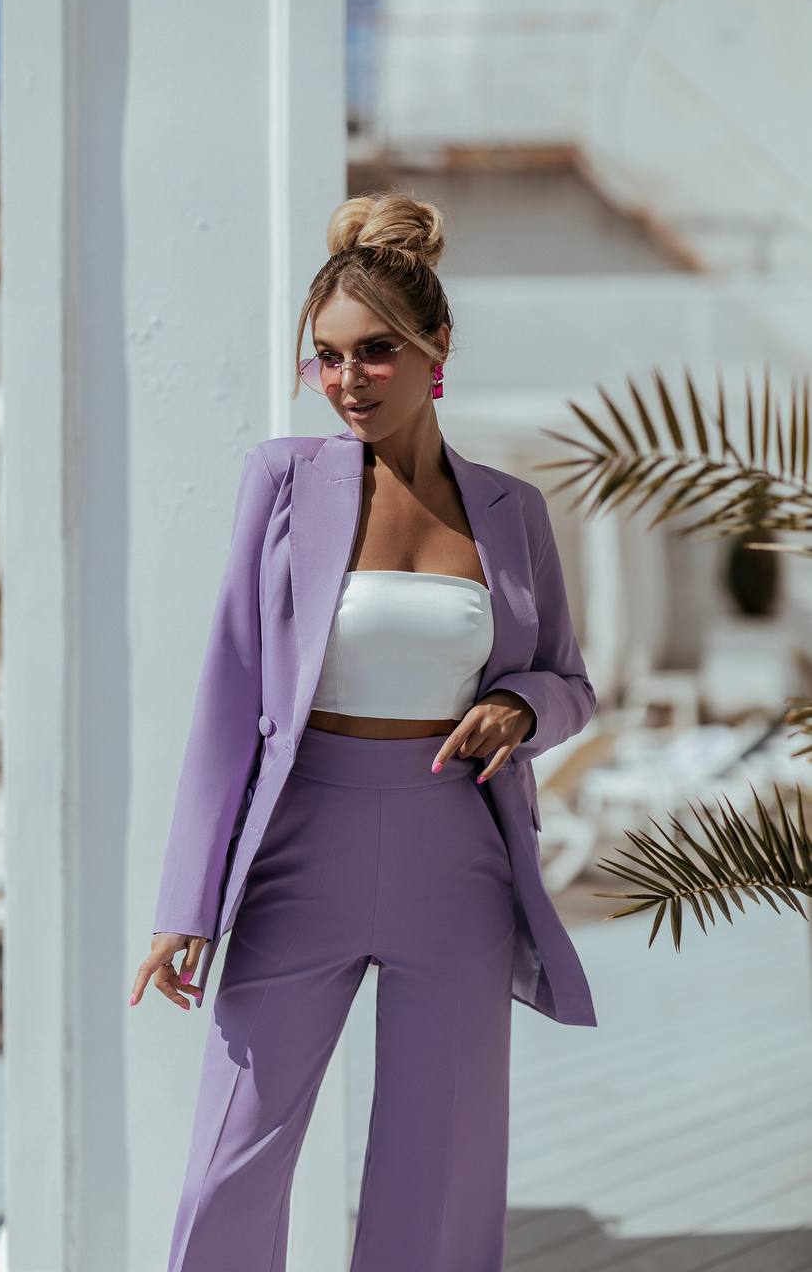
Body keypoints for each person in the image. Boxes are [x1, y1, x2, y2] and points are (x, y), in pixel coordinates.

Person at [130, 190, 597, 1272]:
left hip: (457, 855)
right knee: (232, 1157)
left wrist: (521, 706)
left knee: (439, 1166)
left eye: (375, 352)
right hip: (302, 849)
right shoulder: (283, 482)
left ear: (440, 348)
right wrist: (183, 903)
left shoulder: (512, 510)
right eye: (326, 357)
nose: (346, 381)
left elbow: (573, 682)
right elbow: (230, 697)